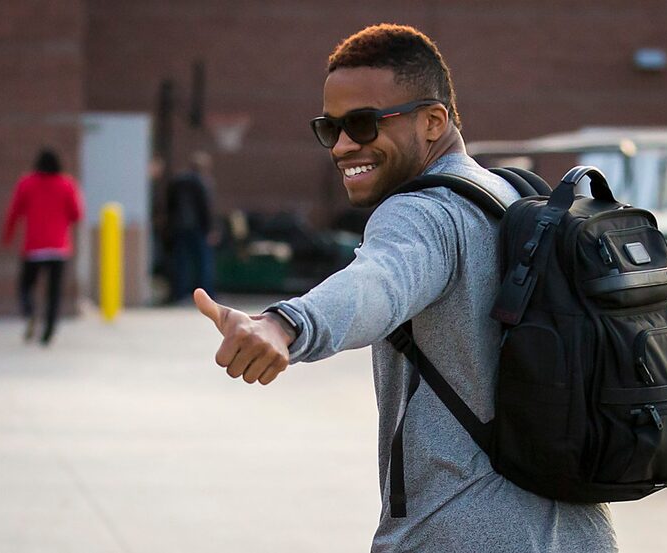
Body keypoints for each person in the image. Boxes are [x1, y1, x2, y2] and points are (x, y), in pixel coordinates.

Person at [194, 24, 617, 552]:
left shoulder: (421, 211)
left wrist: (285, 324)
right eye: (330, 129)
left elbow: (378, 283)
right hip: (576, 532)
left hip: (458, 532)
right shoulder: (517, 196)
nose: (344, 145)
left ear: (434, 121)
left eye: (365, 124)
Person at [2, 148, 83, 345]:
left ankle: (30, 311)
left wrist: (7, 237)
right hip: (58, 247)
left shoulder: (27, 183)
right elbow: (77, 214)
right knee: (53, 292)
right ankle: (49, 331)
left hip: (34, 246)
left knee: (26, 285)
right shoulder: (67, 184)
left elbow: (14, 212)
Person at [164, 151, 216, 304]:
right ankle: (206, 296)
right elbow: (205, 207)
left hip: (178, 227)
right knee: (203, 262)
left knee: (181, 262)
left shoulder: (177, 181)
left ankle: (179, 294)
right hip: (198, 228)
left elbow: (169, 205)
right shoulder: (202, 182)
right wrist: (210, 229)